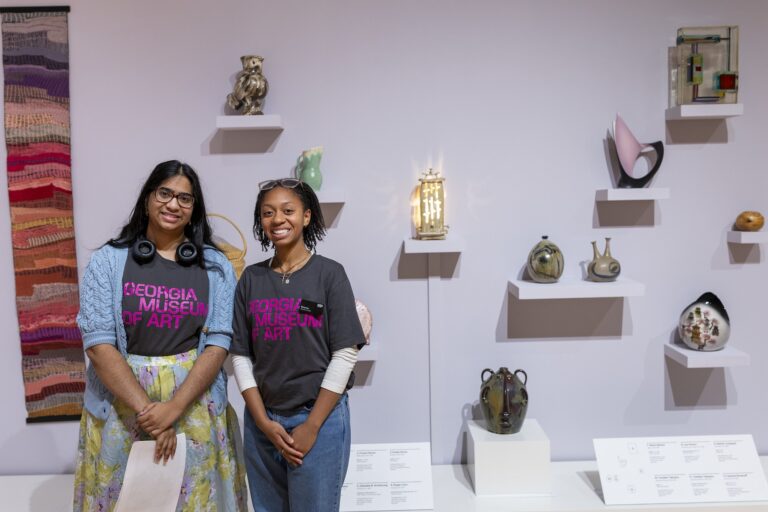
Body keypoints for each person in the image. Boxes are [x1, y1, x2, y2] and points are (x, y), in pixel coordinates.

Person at [73, 160, 248, 511]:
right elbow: (98, 344)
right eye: (165, 193)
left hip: (194, 410)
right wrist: (150, 413)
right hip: (122, 412)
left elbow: (218, 343)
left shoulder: (216, 267)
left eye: (185, 198)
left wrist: (174, 408)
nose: (173, 204)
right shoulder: (108, 261)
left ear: (194, 208)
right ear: (148, 197)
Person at [231, 178, 365, 512]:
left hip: (318, 420)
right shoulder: (251, 278)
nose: (278, 219)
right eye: (268, 212)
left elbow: (345, 352)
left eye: (288, 210)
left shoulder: (330, 275)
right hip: (264, 423)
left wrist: (312, 426)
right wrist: (262, 422)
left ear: (307, 217)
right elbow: (240, 355)